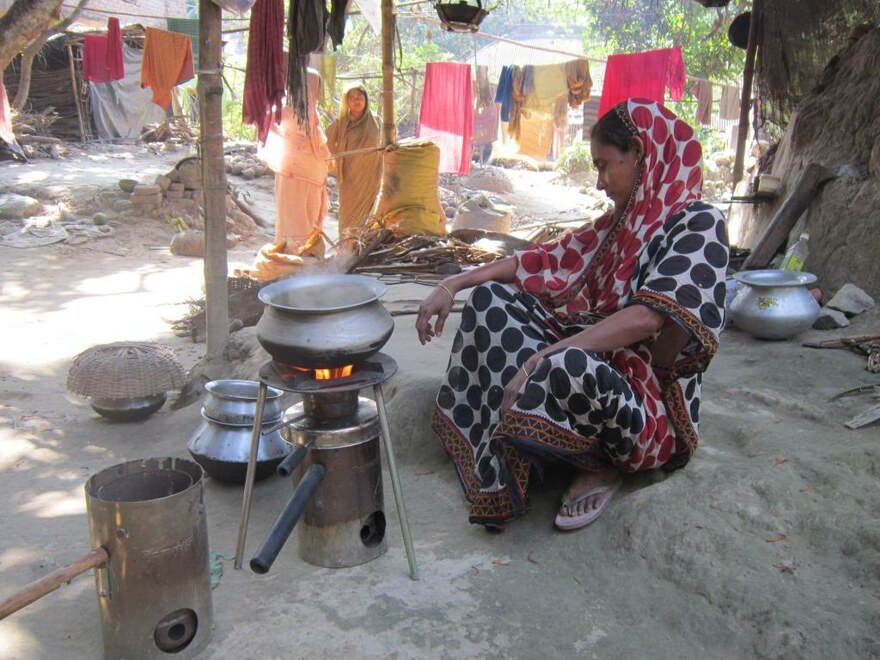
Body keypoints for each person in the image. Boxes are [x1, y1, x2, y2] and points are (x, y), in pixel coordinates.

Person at [415, 98, 729, 531]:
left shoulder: (697, 224)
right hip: (591, 357)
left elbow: (647, 320)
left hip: (645, 402)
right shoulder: (616, 226)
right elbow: (540, 261)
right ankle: (523, 448)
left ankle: (603, 462)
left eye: (605, 165)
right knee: (491, 301)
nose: (600, 183)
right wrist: (453, 284)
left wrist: (541, 357)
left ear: (639, 152)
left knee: (569, 364)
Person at [259, 68, 330, 255]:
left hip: (312, 175)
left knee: (309, 214)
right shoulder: (285, 109)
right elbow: (269, 125)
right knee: (293, 215)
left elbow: (320, 144)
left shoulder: (313, 111)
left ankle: (307, 252)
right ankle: (291, 253)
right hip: (292, 173)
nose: (316, 90)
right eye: (313, 85)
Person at [325, 83, 383, 239]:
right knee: (348, 214)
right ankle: (347, 248)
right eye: (351, 98)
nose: (356, 101)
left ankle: (365, 247)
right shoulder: (341, 123)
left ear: (366, 99)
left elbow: (387, 144)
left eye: (360, 97)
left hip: (372, 177)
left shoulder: (377, 122)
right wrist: (341, 157)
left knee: (371, 213)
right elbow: (327, 141)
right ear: (346, 101)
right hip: (350, 177)